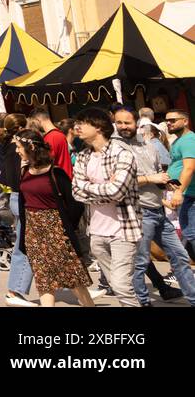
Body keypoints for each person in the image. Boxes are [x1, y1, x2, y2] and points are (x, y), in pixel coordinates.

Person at [117, 107, 194, 305]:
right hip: (139, 212)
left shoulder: (149, 146)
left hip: (158, 210)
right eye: (119, 123)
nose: (123, 127)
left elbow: (159, 171)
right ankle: (143, 302)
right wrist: (151, 178)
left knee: (180, 256)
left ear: (137, 124)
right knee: (141, 262)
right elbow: (118, 182)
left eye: (128, 122)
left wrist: (166, 183)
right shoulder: (116, 148)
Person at [13, 129, 94, 307]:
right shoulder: (24, 171)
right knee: (43, 278)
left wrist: (66, 228)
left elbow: (76, 204)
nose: (17, 151)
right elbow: (23, 202)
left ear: (31, 147)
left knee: (72, 276)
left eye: (19, 147)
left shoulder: (56, 173)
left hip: (56, 231)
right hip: (33, 231)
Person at [71, 107, 140, 307]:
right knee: (115, 283)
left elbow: (117, 191)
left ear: (99, 127)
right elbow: (76, 192)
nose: (77, 127)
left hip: (123, 229)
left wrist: (88, 188)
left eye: (83, 123)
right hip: (97, 231)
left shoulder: (122, 154)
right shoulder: (83, 156)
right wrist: (101, 188)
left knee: (121, 285)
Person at [0, 113, 35, 306]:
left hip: (15, 196)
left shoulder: (8, 145)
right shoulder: (18, 148)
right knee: (25, 245)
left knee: (26, 243)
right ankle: (15, 290)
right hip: (23, 197)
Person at [164, 109, 195, 259]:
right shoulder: (178, 141)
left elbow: (189, 167)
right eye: (167, 121)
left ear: (185, 121)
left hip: (190, 194)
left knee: (191, 232)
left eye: (173, 120)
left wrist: (178, 191)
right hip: (186, 194)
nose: (169, 123)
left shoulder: (189, 140)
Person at [29, 107, 72, 175]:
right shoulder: (57, 134)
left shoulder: (52, 137)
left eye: (33, 122)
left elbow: (46, 162)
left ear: (38, 120)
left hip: (59, 178)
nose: (33, 125)